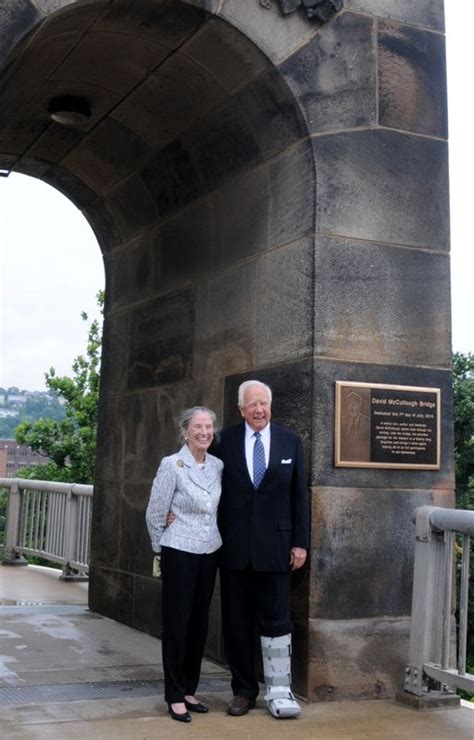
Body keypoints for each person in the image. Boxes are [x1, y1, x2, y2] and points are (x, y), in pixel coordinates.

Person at [215, 380, 309, 719]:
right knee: (237, 623)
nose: (259, 410)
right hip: (235, 550)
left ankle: (280, 690)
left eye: (264, 404)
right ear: (241, 409)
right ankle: (243, 691)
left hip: (277, 549)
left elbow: (300, 496)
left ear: (271, 406)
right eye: (252, 404)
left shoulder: (290, 441)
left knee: (277, 620)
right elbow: (204, 483)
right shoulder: (222, 441)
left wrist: (300, 542)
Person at [145, 407, 223, 724]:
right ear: (185, 431)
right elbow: (155, 511)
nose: (204, 432)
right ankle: (174, 694)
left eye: (209, 427)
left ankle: (190, 689)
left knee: (199, 623)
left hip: (210, 550)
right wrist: (159, 546)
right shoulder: (172, 465)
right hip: (178, 550)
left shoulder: (218, 466)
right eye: (198, 427)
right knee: (176, 624)